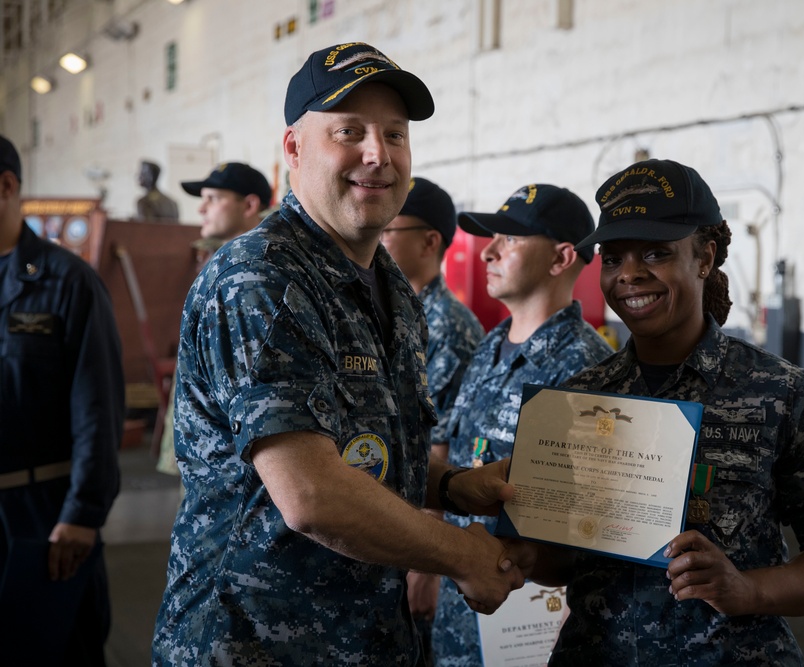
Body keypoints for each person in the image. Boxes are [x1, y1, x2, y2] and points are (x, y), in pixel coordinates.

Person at [151, 42, 525, 666]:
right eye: (349, 131)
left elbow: (361, 455)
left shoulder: (391, 288)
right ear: (294, 148)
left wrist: (456, 488)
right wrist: (463, 555)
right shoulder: (261, 279)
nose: (378, 155)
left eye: (395, 135)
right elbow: (312, 494)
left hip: (361, 639)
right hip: (252, 644)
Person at [512, 158, 804, 666]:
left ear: (704, 257)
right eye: (613, 259)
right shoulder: (579, 398)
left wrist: (747, 589)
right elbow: (565, 558)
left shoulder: (789, 395)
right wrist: (518, 551)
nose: (629, 276)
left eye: (656, 253)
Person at [431, 183, 614, 666]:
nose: (488, 251)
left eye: (509, 239)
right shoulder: (489, 347)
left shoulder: (588, 368)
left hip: (530, 621)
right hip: (458, 615)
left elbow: (589, 517)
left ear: (560, 259)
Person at [0, 134, 124, 665]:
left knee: (55, 649)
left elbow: (97, 407)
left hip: (42, 512)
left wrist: (83, 511)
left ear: (6, 187)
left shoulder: (67, 282)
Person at [381, 176, 485, 664]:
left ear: (429, 241)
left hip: (415, 529)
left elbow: (437, 446)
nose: (379, 233)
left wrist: (428, 564)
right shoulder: (390, 310)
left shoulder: (447, 325)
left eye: (390, 226)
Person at [156, 161, 274, 477]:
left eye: (213, 198)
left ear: (250, 205)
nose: (201, 209)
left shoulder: (263, 270)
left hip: (236, 460)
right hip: (205, 449)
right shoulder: (217, 260)